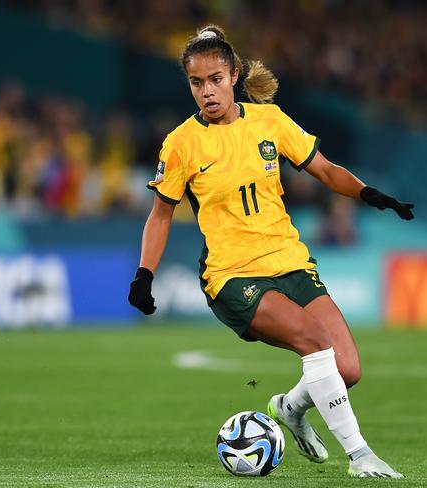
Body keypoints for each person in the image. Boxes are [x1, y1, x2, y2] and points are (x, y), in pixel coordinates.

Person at [128, 25, 413, 478]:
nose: (207, 91)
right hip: (233, 275)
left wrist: (370, 194)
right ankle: (361, 456)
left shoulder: (270, 121)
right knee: (316, 344)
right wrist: (144, 274)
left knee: (348, 368)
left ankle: (289, 408)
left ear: (235, 75)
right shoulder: (181, 142)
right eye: (196, 83)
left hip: (290, 261)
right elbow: (160, 215)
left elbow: (324, 169)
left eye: (215, 79)